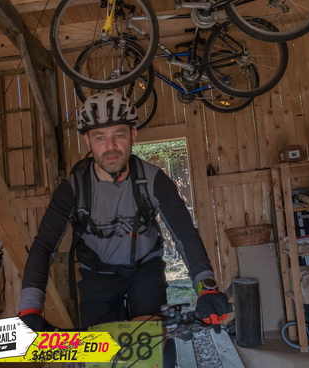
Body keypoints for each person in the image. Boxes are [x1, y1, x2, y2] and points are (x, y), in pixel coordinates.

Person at [18, 90, 231, 333]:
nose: (110, 146)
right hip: (98, 274)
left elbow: (185, 234)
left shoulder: (153, 179)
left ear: (133, 135)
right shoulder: (74, 188)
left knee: (154, 342)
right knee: (102, 348)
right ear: (87, 141)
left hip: (145, 269)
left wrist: (206, 287)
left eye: (119, 135)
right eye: (100, 137)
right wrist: (30, 308)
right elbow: (44, 245)